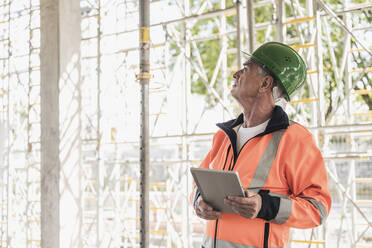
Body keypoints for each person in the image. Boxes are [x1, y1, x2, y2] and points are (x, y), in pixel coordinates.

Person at [191, 42, 332, 248]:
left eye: (246, 69)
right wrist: (198, 202)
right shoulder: (223, 136)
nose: (235, 74)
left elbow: (318, 209)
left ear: (265, 84)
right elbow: (198, 184)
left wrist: (265, 205)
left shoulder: (294, 139)